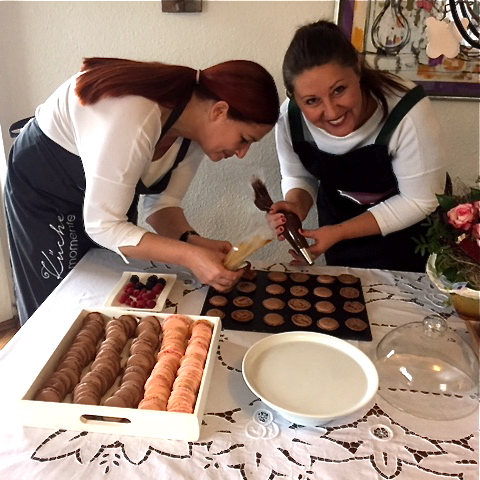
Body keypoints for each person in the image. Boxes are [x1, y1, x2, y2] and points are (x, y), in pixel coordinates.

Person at [4, 57, 280, 325]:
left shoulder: (191, 135)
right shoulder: (135, 117)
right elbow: (104, 226)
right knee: (56, 300)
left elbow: (161, 204)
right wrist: (190, 257)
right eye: (244, 139)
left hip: (98, 210)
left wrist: (193, 241)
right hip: (44, 190)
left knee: (109, 290)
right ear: (219, 111)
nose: (242, 153)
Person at [269, 20, 446, 272]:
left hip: (411, 237)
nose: (331, 111)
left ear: (358, 71)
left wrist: (340, 232)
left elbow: (420, 200)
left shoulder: (407, 111)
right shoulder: (290, 118)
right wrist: (295, 207)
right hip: (337, 224)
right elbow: (298, 175)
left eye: (339, 90)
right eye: (311, 100)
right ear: (293, 97)